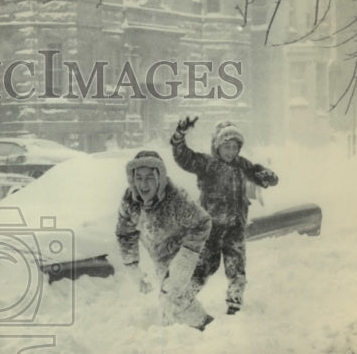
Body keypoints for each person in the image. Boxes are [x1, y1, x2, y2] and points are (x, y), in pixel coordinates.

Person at [171, 117, 279, 315]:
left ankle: (234, 303)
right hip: (211, 228)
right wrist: (179, 136)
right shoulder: (207, 164)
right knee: (204, 267)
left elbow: (258, 173)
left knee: (236, 267)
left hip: (235, 227)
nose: (231, 151)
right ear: (217, 146)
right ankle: (184, 299)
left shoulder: (241, 164)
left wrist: (268, 177)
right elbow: (184, 158)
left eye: (234, 147)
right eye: (226, 147)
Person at [116, 149, 214, 330]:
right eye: (139, 178)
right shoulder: (130, 201)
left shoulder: (176, 199)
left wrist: (186, 258)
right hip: (162, 260)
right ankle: (180, 340)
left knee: (172, 298)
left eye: (149, 178)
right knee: (170, 307)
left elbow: (203, 223)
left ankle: (209, 330)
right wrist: (132, 268)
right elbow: (125, 234)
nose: (143, 184)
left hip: (194, 255)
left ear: (159, 178)